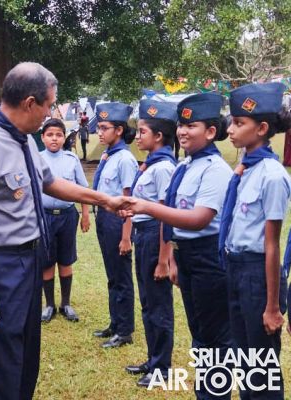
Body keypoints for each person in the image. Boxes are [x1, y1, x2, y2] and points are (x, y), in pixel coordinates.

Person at [0, 62, 131, 399]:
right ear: (30, 103)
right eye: (49, 105)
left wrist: (104, 199)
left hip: (29, 260)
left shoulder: (24, 141)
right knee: (1, 363)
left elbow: (50, 182)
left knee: (25, 356)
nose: (50, 113)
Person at [125, 92, 233, 399]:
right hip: (187, 256)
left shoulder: (215, 169)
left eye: (191, 126)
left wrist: (146, 207)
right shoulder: (186, 166)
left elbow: (198, 219)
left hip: (209, 258)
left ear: (211, 132)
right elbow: (175, 214)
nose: (183, 132)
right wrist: (172, 256)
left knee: (215, 338)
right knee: (200, 333)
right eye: (181, 125)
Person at [221, 82, 290, 399]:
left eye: (239, 123)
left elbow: (272, 245)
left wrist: (273, 307)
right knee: (243, 355)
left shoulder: (272, 175)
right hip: (235, 267)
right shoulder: (245, 170)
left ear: (262, 129)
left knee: (261, 364)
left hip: (258, 274)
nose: (230, 129)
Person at [126, 99, 176, 387]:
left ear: (158, 136)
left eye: (142, 131)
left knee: (158, 305)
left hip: (155, 236)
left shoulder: (163, 168)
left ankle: (162, 369)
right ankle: (153, 358)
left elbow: (165, 216)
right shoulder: (151, 165)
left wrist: (163, 259)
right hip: (143, 234)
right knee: (147, 302)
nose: (137, 136)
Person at [92, 102, 138, 349]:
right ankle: (115, 322)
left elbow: (129, 202)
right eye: (98, 127)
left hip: (117, 221)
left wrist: (126, 237)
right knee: (112, 274)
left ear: (119, 130)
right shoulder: (108, 155)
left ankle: (125, 330)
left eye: (104, 128)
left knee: (122, 276)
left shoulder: (125, 159)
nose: (99, 132)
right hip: (104, 217)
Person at [39, 118, 90, 323]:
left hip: (67, 215)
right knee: (47, 261)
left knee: (66, 260)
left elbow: (82, 189)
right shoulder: (36, 159)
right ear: (42, 137)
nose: (54, 139)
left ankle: (65, 304)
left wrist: (85, 214)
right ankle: (49, 305)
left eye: (59, 135)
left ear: (64, 138)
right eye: (50, 135)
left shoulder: (72, 159)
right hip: (44, 216)